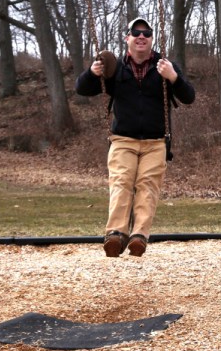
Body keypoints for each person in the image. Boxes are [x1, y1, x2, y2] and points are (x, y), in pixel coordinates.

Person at [75, 17, 195, 257]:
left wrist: (173, 77)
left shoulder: (164, 66)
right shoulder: (114, 68)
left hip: (156, 141)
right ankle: (116, 235)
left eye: (146, 33)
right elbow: (83, 89)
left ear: (151, 38)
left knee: (147, 186)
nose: (141, 36)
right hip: (123, 140)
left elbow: (189, 96)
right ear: (127, 38)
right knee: (121, 182)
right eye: (136, 32)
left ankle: (139, 236)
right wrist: (91, 73)